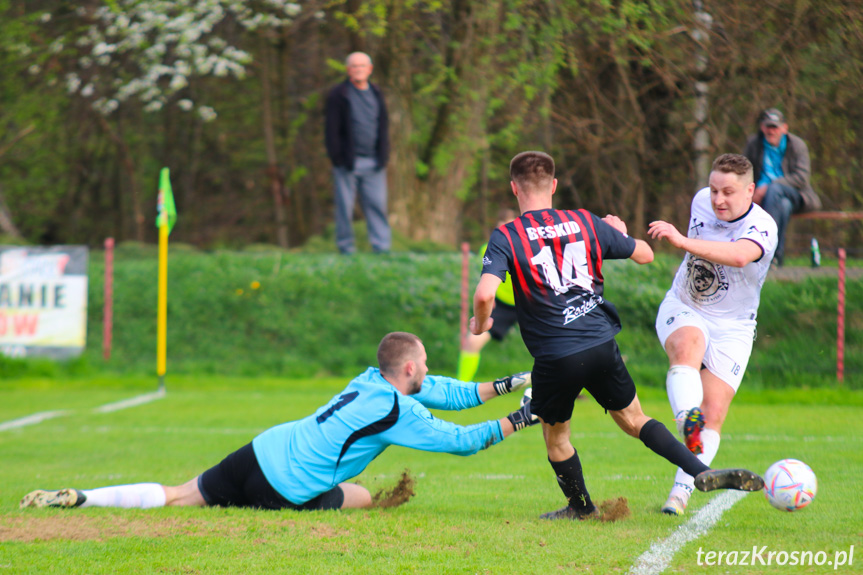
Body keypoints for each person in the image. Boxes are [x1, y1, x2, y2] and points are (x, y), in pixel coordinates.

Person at [471, 151, 765, 521]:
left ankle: (581, 508)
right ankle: (698, 470)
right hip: (600, 343)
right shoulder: (583, 220)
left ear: (514, 188)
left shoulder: (507, 235)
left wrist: (481, 324)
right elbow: (645, 255)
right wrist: (618, 233)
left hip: (556, 355)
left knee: (556, 437)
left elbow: (485, 294)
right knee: (635, 420)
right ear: (555, 186)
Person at [20, 332, 536, 511]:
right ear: (408, 369)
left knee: (179, 494)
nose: (428, 369)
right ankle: (329, 497)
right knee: (358, 495)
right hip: (281, 488)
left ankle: (84, 497)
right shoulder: (398, 411)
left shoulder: (369, 379)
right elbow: (464, 441)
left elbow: (449, 391)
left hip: (260, 451)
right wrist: (525, 416)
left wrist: (511, 382)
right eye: (423, 363)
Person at [647, 153, 778, 516]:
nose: (718, 199)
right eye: (715, 189)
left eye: (729, 192)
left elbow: (738, 256)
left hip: (735, 326)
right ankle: (688, 418)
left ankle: (681, 491)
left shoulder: (764, 226)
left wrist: (680, 241)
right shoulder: (701, 201)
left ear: (751, 191)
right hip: (687, 305)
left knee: (715, 412)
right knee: (688, 345)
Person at [325, 51, 391, 255]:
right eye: (354, 66)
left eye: (362, 66)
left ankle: (382, 248)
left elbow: (383, 126)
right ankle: (346, 248)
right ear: (348, 70)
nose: (358, 69)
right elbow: (331, 130)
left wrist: (383, 156)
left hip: (374, 162)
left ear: (369, 69)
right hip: (347, 163)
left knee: (377, 206)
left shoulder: (376, 93)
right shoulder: (339, 94)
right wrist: (338, 158)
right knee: (344, 208)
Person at [742, 108, 820, 266]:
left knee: (774, 191)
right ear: (762, 127)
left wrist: (768, 187)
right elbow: (743, 171)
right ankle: (776, 257)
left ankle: (766, 251)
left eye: (775, 127)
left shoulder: (797, 145)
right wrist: (749, 191)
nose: (771, 131)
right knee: (783, 206)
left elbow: (802, 178)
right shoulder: (754, 144)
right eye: (768, 126)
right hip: (766, 198)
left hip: (796, 194)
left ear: (784, 128)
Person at [457, 208, 519, 382]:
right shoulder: (489, 249)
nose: (506, 233)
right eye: (501, 228)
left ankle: (573, 391)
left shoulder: (530, 246)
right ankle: (461, 388)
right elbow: (487, 281)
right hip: (502, 305)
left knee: (560, 343)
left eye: (510, 227)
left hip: (531, 301)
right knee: (472, 342)